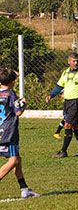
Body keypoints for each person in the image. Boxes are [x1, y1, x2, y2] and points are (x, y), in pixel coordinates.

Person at [0, 68, 39, 200]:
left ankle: (24, 189)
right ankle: (24, 190)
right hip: (8, 132)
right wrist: (24, 104)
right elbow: (18, 112)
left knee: (18, 159)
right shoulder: (11, 95)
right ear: (12, 82)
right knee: (13, 160)